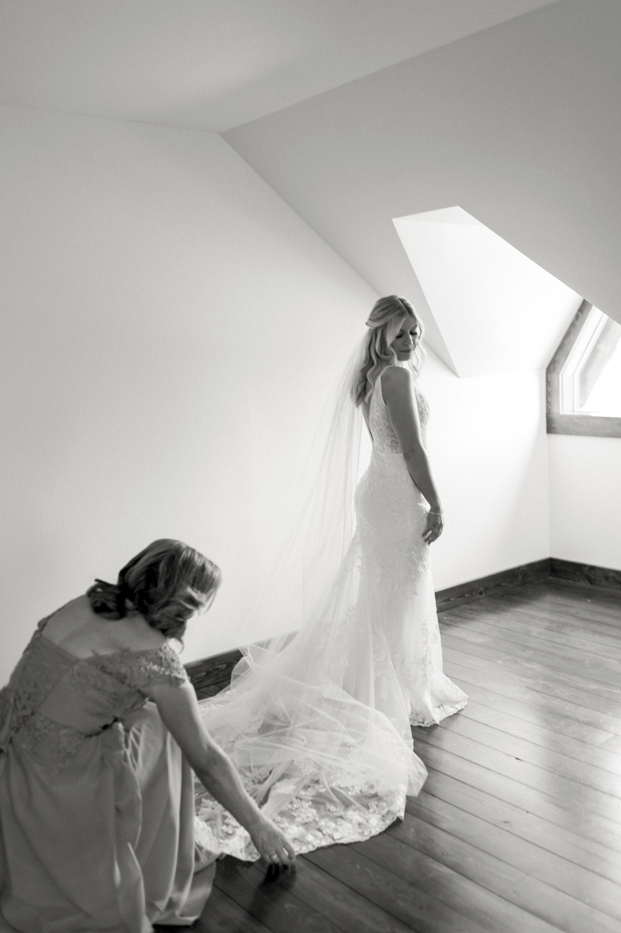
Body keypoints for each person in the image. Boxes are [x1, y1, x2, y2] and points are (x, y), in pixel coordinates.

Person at [195, 295, 466, 859]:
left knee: (388, 590)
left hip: (380, 492)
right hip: (396, 495)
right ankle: (395, 686)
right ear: (381, 332)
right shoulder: (393, 376)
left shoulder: (372, 377)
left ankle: (397, 677)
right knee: (399, 587)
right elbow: (411, 447)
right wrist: (437, 502)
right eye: (401, 332)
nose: (411, 341)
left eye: (415, 333)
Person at [0, 539, 294, 933]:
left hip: (11, 751)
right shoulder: (156, 659)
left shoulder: (86, 603)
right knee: (169, 732)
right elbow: (205, 758)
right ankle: (155, 859)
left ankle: (149, 838)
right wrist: (258, 825)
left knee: (151, 719)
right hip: (59, 789)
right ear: (188, 601)